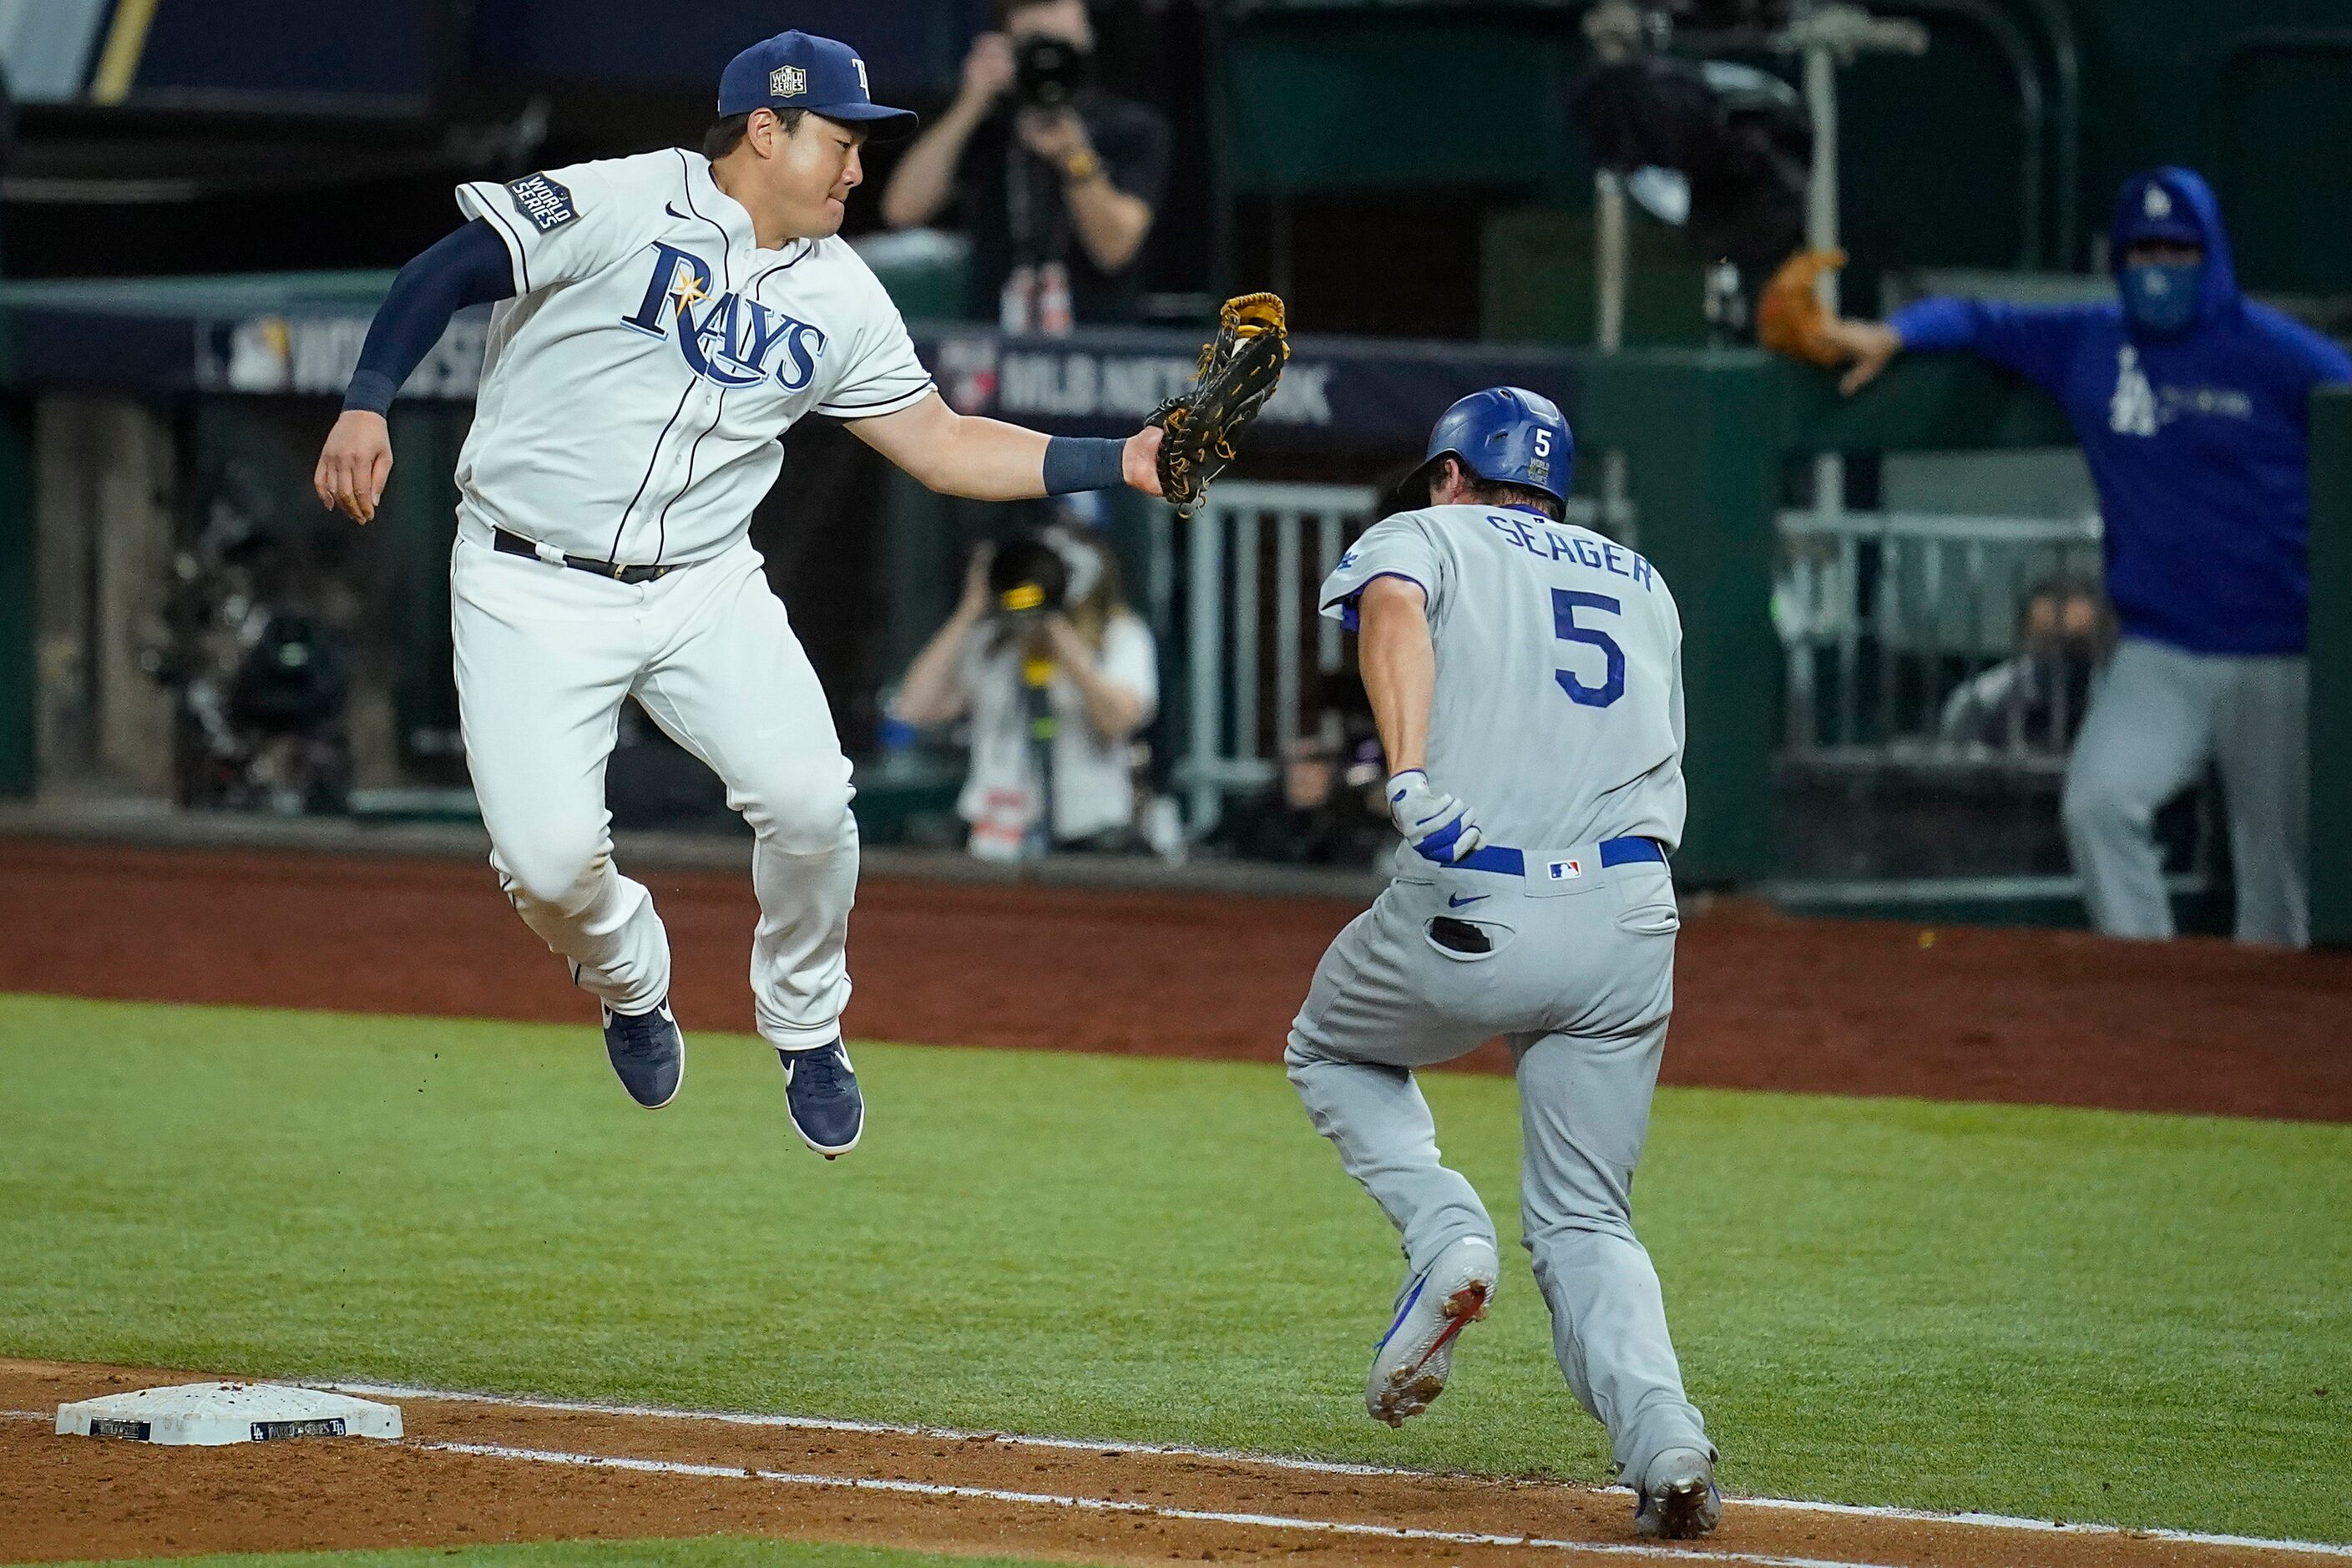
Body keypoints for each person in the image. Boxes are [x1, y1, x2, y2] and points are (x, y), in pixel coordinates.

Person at [311, 29, 1166, 1155]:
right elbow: (450, 268)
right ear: (765, 130)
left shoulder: (844, 294)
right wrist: (371, 396)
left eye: (864, 144)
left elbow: (945, 443)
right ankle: (627, 972)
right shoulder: (623, 201)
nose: (857, 168)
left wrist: (1125, 459)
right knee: (551, 865)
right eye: (840, 140)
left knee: (813, 803)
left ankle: (807, 1023)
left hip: (704, 586)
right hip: (529, 584)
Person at [1286, 388, 1719, 1540]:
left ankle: (1444, 1232)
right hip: (1631, 917)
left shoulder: (1424, 534)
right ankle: (1667, 1438)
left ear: (1446, 475)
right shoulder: (1642, 578)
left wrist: (1408, 770)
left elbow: (1389, 609)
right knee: (1587, 1219)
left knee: (1329, 1045)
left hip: (1479, 895)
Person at [1822, 168, 2352, 947]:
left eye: (2176, 250)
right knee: (2100, 803)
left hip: (2278, 647)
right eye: (2142, 252)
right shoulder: (2091, 341)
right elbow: (1977, 319)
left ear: (2211, 255)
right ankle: (2146, 991)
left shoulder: (2273, 351)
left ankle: (2256, 1060)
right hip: (2160, 645)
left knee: (2275, 887)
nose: (2158, 268)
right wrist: (1897, 333)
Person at [879, 0, 1170, 329]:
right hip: (997, 345)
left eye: (1056, 10)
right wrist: (972, 101)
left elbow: (1115, 250)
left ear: (1087, 32)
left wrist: (1073, 156)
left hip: (1099, 347)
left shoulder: (1131, 126)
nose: (1044, 23)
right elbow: (901, 209)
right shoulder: (990, 126)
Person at [893, 527, 1156, 857]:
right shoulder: (991, 643)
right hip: (993, 835)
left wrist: (1061, 639)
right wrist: (970, 609)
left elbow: (1119, 719)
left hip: (1089, 837)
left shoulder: (1121, 636)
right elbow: (915, 708)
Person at [1936, 577, 2112, 755]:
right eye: (2048, 642)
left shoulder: (2115, 702)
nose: (2060, 654)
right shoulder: (1981, 704)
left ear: (2100, 641)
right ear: (2024, 639)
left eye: (2076, 644)